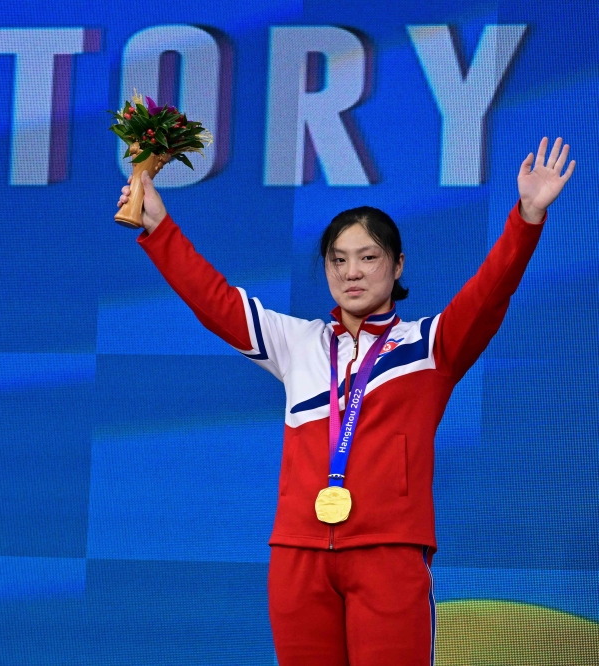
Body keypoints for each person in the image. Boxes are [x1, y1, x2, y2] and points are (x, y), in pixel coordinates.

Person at [116, 137, 575, 666]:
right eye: (337, 260)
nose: (351, 272)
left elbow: (490, 290)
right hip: (298, 556)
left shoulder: (432, 346)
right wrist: (159, 228)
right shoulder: (298, 344)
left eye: (367, 257)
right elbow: (215, 300)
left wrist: (527, 216)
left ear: (397, 265)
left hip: (389, 553)